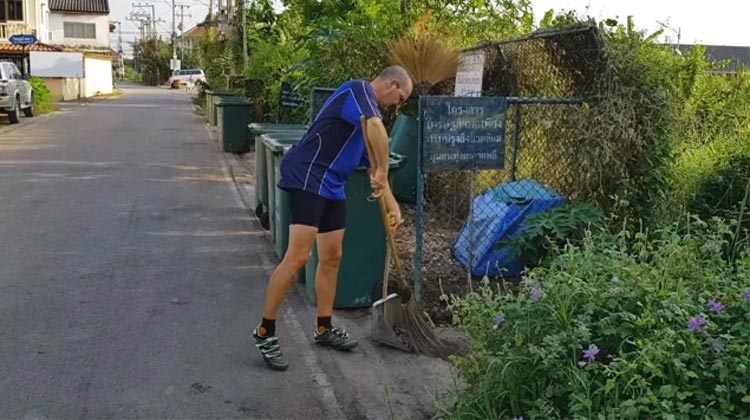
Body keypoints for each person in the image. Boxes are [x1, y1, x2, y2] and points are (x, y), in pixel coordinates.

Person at [253, 66, 413, 370]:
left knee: (332, 256)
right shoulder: (359, 90)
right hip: (309, 175)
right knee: (298, 257)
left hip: (333, 185)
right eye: (400, 97)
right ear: (391, 84)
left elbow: (374, 166)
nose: (397, 104)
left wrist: (392, 204)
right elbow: (378, 133)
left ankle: (324, 328)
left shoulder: (366, 122)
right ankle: (265, 331)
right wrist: (382, 169)